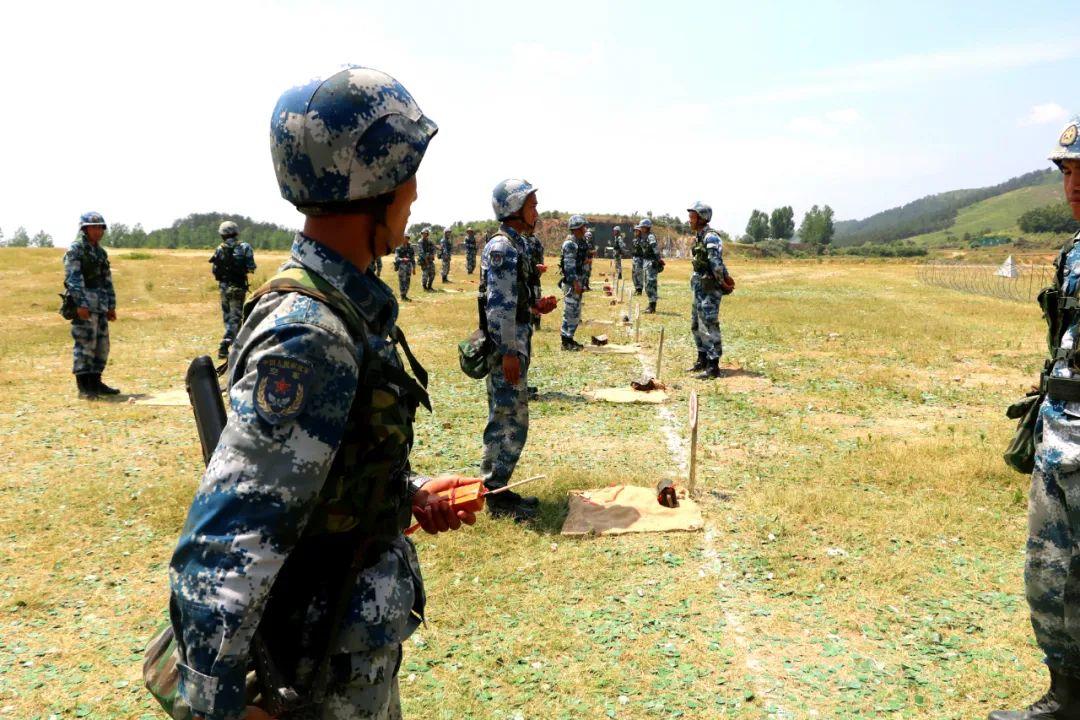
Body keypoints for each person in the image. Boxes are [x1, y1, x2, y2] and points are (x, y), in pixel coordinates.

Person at [168, 65, 478, 720]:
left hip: (342, 651)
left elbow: (318, 467)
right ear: (377, 181)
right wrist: (218, 704)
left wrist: (407, 492)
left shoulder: (340, 307)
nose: (416, 193)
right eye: (407, 171)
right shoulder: (310, 335)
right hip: (310, 674)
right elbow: (226, 540)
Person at [991, 116, 1080, 720]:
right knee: (1051, 572)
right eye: (1067, 171)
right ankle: (1066, 697)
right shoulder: (1073, 255)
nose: (1073, 183)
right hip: (1062, 431)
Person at [479, 178, 557, 520]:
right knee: (509, 419)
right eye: (532, 205)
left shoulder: (517, 244)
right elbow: (498, 308)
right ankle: (495, 495)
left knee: (508, 416)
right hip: (506, 348)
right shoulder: (503, 248)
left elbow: (515, 299)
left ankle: (498, 490)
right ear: (513, 209)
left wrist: (536, 306)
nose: (536, 211)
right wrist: (509, 351)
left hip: (515, 342)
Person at [63, 211, 119, 399]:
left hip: (101, 305)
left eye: (100, 228)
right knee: (85, 345)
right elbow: (73, 278)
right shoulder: (76, 250)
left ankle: (96, 382)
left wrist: (111, 305)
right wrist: (81, 304)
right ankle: (84, 387)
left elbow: (107, 280)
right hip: (85, 305)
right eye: (93, 228)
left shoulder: (100, 253)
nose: (98, 231)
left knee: (101, 346)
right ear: (85, 229)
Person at [686, 201, 726, 379]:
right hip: (700, 287)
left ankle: (713, 366)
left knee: (709, 324)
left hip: (709, 288)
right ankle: (702, 358)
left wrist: (723, 283)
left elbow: (716, 264)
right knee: (696, 324)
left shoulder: (711, 238)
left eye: (692, 216)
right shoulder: (699, 237)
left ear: (702, 218)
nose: (689, 220)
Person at [209, 220, 257, 359]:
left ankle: (235, 347)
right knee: (235, 319)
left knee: (228, 318)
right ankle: (226, 344)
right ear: (236, 233)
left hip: (223, 287)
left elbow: (215, 270)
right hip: (237, 287)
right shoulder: (245, 247)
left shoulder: (219, 248)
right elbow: (251, 267)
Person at [560, 215, 589, 351]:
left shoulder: (579, 241)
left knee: (575, 313)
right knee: (570, 312)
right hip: (572, 284)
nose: (585, 228)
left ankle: (569, 339)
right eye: (583, 226)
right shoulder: (571, 244)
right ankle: (566, 342)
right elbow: (569, 266)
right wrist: (576, 283)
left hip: (578, 282)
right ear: (577, 228)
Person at [639, 218, 662, 313]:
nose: (641, 228)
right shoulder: (645, 236)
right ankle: (650, 304)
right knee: (647, 284)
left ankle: (652, 306)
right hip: (646, 262)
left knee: (651, 284)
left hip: (651, 262)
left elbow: (655, 248)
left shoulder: (650, 236)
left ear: (646, 227)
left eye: (642, 227)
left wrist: (658, 259)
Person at [528, 233, 545, 330]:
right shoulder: (520, 240)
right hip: (525, 276)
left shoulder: (537, 241)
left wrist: (541, 268)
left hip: (535, 276)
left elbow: (541, 256)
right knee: (528, 300)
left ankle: (537, 324)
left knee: (537, 300)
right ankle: (529, 323)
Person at [394, 233, 417, 300]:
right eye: (404, 238)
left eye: (407, 238)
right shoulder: (398, 247)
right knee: (402, 281)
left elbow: (412, 258)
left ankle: (405, 294)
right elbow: (396, 258)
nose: (406, 239)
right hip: (401, 266)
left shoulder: (410, 247)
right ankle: (402, 295)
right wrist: (402, 259)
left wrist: (414, 268)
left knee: (407, 280)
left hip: (409, 266)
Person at [418, 227, 436, 291]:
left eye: (426, 233)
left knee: (433, 273)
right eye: (423, 233)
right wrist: (426, 259)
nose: (424, 235)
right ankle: (424, 286)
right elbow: (421, 252)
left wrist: (432, 255)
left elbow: (433, 249)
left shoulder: (430, 241)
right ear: (422, 234)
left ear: (427, 234)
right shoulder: (420, 241)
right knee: (425, 273)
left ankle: (430, 286)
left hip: (430, 260)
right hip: (423, 260)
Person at [631, 222, 646, 295]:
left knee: (639, 274)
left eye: (637, 231)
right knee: (634, 274)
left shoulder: (642, 240)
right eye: (635, 231)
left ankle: (639, 289)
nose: (635, 232)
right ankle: (636, 288)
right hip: (634, 258)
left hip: (640, 259)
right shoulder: (635, 240)